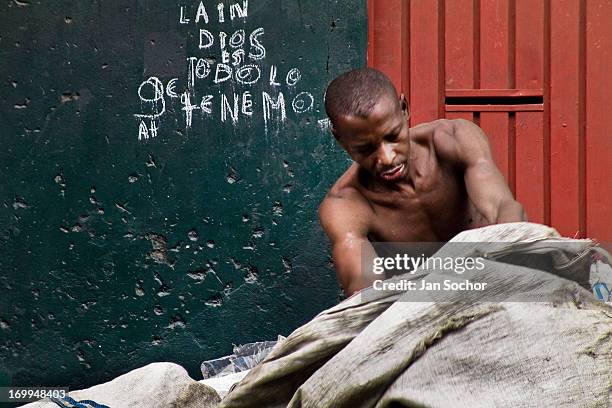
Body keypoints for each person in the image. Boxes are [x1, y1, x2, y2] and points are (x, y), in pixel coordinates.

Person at [319, 68, 527, 296]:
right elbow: (365, 293)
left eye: (393, 136)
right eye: (366, 149)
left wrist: (510, 267)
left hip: (487, 277)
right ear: (340, 139)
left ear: (404, 109)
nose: (387, 158)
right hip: (416, 303)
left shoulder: (454, 140)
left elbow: (504, 209)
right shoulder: (345, 205)